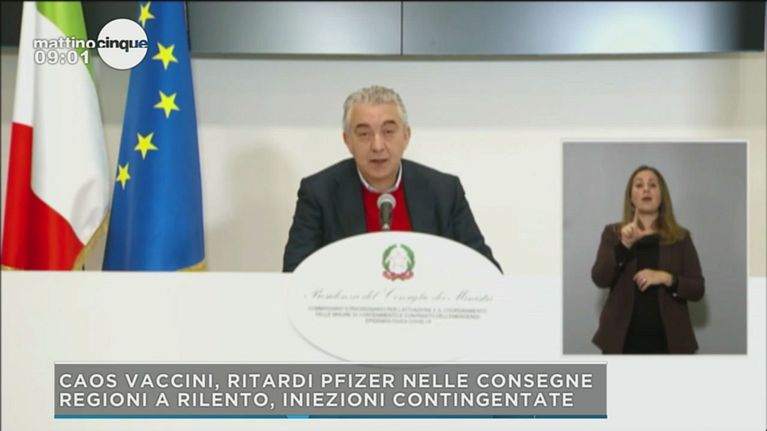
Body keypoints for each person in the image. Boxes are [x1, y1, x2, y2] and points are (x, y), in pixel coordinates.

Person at [282, 85, 500, 273]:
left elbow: (486, 269)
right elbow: (294, 274)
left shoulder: (444, 192)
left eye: (388, 131)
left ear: (406, 136)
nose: (377, 146)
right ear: (347, 140)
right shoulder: (319, 194)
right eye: (364, 134)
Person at [591, 165, 704, 354]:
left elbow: (697, 289)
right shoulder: (613, 233)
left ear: (662, 196)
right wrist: (624, 245)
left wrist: (666, 278)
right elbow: (600, 278)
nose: (646, 189)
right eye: (639, 185)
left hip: (670, 344)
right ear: (630, 197)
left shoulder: (681, 237)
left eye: (652, 185)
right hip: (622, 344)